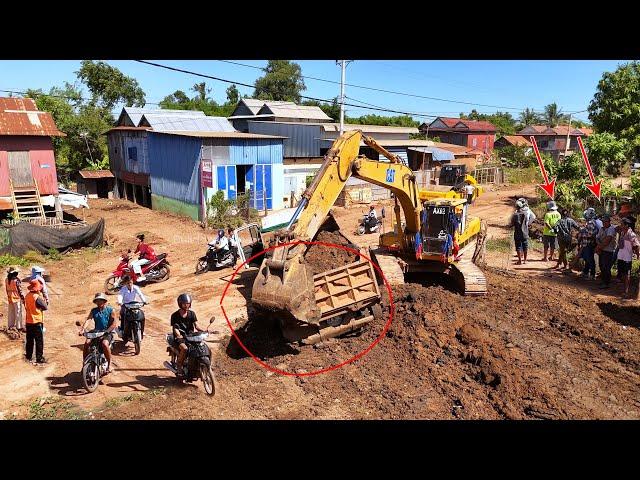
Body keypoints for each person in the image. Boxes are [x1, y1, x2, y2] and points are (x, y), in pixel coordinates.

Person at [79, 293, 117, 374]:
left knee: (105, 344)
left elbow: (114, 323)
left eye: (101, 301)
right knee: (87, 343)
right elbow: (88, 320)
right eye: (97, 301)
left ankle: (109, 364)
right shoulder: (94, 311)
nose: (99, 303)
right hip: (97, 332)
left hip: (107, 332)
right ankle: (84, 363)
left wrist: (107, 331)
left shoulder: (111, 310)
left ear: (104, 301)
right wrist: (82, 329)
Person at [170, 293, 201, 377]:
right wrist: (178, 335)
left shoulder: (192, 314)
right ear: (180, 304)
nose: (186, 306)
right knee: (185, 348)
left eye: (188, 304)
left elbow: (196, 325)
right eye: (184, 304)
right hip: (180, 338)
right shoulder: (175, 315)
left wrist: (204, 331)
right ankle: (179, 365)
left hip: (191, 336)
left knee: (202, 346)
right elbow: (175, 328)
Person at [116, 275, 147, 341]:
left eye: (130, 282)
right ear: (125, 283)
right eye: (128, 283)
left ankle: (142, 330)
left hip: (134, 304)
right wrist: (120, 302)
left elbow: (140, 294)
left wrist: (144, 301)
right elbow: (120, 296)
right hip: (126, 305)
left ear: (132, 281)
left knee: (141, 315)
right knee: (123, 314)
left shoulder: (136, 288)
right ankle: (122, 329)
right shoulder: (123, 289)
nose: (129, 284)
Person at [24, 279, 48, 364]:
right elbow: (45, 307)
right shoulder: (37, 297)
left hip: (28, 321)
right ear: (37, 289)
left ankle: (28, 356)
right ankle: (39, 358)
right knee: (39, 341)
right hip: (37, 322)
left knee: (29, 340)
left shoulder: (27, 296)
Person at [616, 217, 640, 297]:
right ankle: (624, 290)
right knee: (623, 273)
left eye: (622, 224)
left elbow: (636, 245)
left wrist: (637, 255)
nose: (620, 226)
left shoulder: (631, 234)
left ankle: (626, 291)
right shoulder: (623, 233)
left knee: (626, 274)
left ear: (626, 225)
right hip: (621, 257)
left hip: (627, 258)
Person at [595, 214, 617, 289]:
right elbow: (597, 238)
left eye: (605, 222)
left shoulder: (611, 229)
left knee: (606, 267)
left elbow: (608, 240)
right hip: (602, 249)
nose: (604, 223)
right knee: (601, 265)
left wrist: (599, 247)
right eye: (603, 222)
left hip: (608, 251)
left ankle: (606, 283)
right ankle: (603, 281)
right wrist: (599, 246)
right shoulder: (602, 228)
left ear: (609, 222)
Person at [577, 209, 598, 280]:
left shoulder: (591, 223)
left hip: (589, 243)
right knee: (587, 258)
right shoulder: (591, 222)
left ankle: (592, 274)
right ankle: (586, 272)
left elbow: (590, 234)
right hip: (588, 243)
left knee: (590, 259)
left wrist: (582, 232)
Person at [5, 267, 25, 332]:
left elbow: (6, 289)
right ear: (15, 273)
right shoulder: (17, 281)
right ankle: (19, 327)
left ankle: (10, 326)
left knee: (11, 312)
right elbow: (20, 291)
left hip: (10, 297)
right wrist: (22, 298)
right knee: (18, 312)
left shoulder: (6, 280)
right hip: (16, 298)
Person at [511, 199, 530, 265]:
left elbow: (512, 224)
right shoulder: (525, 214)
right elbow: (528, 222)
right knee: (525, 246)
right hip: (525, 233)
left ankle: (520, 261)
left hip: (517, 233)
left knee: (518, 246)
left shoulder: (515, 215)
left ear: (516, 207)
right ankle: (525, 260)